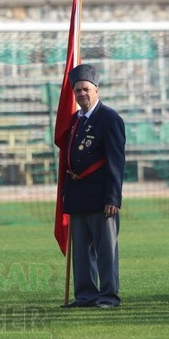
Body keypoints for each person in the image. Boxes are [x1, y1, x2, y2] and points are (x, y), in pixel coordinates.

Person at [62, 63, 126, 308]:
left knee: (106, 251)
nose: (81, 94)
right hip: (79, 195)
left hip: (101, 196)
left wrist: (113, 197)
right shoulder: (74, 121)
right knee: (81, 251)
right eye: (77, 90)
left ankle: (108, 296)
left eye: (86, 89)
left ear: (97, 90)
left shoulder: (109, 119)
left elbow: (115, 161)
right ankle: (86, 295)